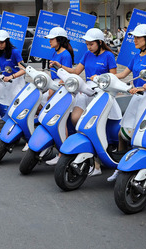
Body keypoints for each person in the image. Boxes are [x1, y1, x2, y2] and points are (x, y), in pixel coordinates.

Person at [50, 28, 121, 176]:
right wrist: (60, 66)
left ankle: (97, 165)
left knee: (96, 126)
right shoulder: (87, 54)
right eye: (87, 44)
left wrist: (99, 79)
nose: (88, 47)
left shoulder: (108, 56)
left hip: (102, 94)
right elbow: (76, 72)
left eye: (91, 44)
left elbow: (113, 78)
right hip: (86, 90)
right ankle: (87, 147)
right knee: (76, 118)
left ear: (100, 42)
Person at [107, 24, 146, 182]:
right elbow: (124, 74)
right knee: (122, 134)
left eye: (138, 37)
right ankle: (121, 167)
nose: (135, 40)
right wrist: (106, 77)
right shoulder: (136, 57)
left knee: (139, 136)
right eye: (134, 37)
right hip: (136, 98)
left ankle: (137, 169)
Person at [43, 27, 74, 165]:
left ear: (60, 40)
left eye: (52, 39)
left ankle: (62, 154)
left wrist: (53, 89)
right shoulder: (54, 53)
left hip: (61, 90)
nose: (50, 41)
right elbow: (52, 73)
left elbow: (65, 77)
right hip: (53, 88)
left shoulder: (65, 55)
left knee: (61, 122)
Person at [0, 30, 26, 120]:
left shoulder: (15, 52)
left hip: (15, 81)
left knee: (13, 105)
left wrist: (12, 76)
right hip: (3, 80)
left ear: (7, 41)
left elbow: (23, 69)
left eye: (2, 42)